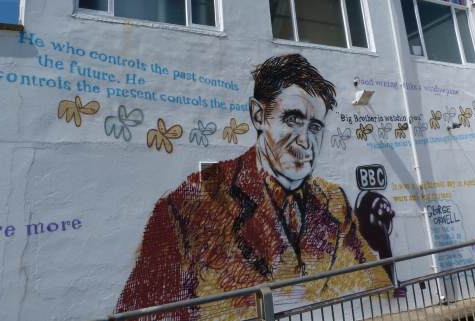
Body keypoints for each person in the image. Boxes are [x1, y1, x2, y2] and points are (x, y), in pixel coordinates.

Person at [115, 54, 391, 320]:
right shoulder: (187, 207)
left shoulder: (334, 202)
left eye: (315, 127)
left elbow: (374, 290)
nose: (305, 141)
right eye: (293, 120)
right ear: (258, 115)